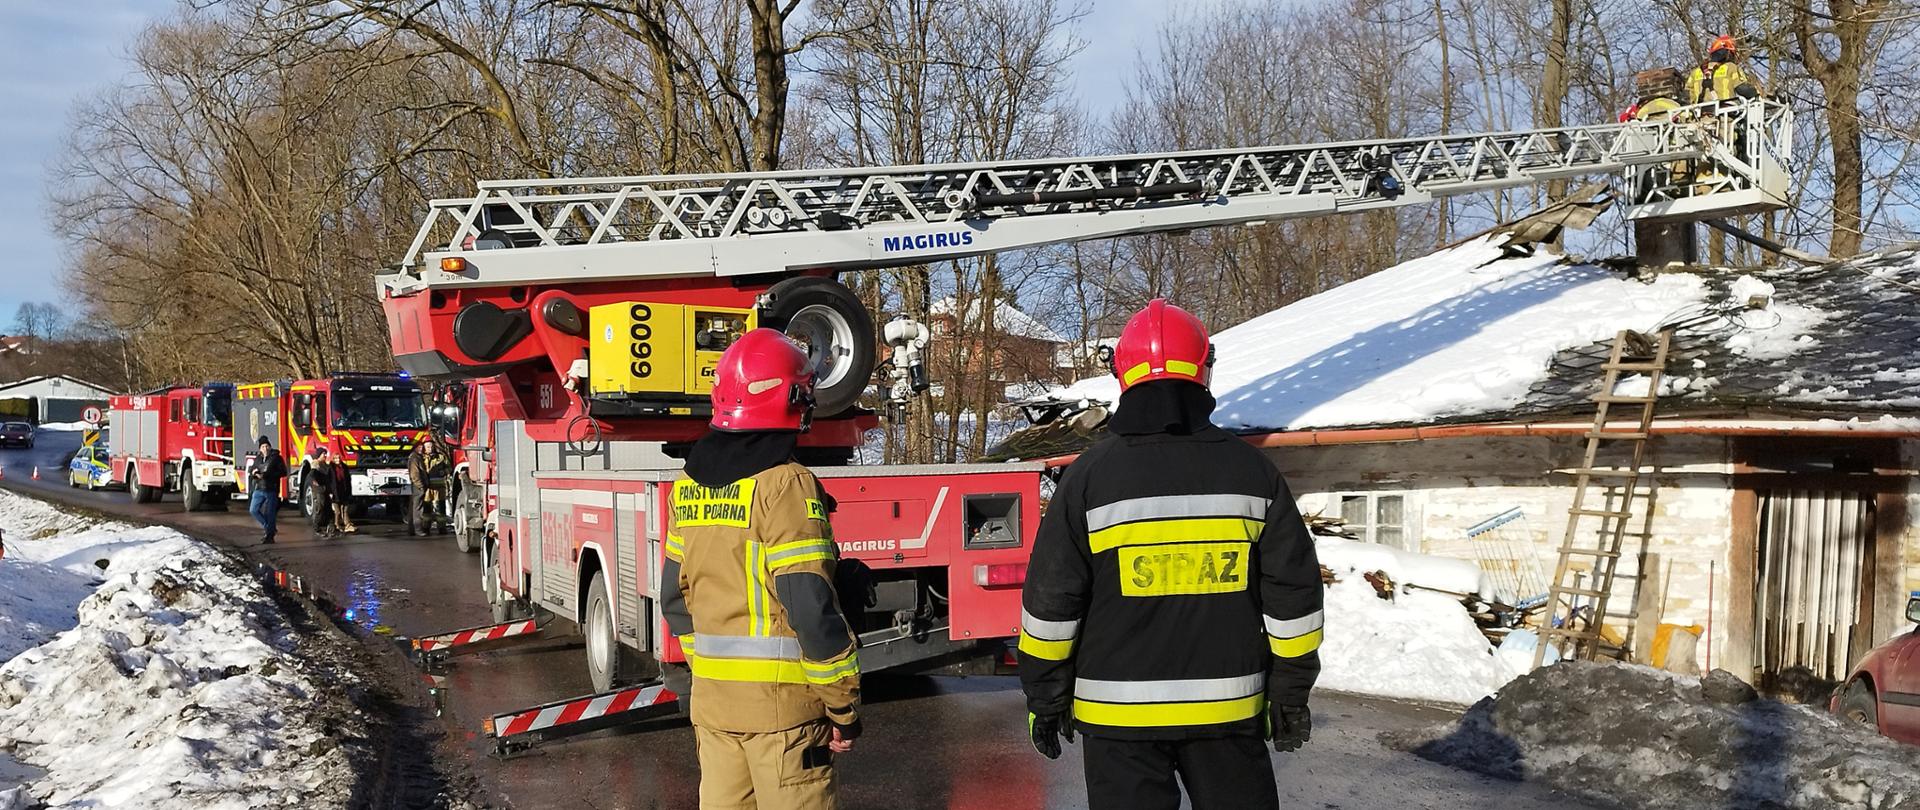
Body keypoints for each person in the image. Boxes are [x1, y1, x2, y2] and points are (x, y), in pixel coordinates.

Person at [1018, 299, 1325, 810]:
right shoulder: (1252, 473)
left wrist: (1046, 698)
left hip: (1117, 719)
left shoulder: (1089, 478)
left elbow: (1052, 604)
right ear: (1203, 369)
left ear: (1122, 374)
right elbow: (1293, 599)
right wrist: (1289, 693)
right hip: (1227, 714)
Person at [658, 328, 861, 810]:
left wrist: (711, 677)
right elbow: (809, 608)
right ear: (791, 400)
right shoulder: (785, 484)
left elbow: (673, 598)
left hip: (714, 710)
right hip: (784, 718)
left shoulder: (688, 486)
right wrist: (843, 706)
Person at [1686, 34, 1758, 105]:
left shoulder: (1695, 72)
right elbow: (1743, 89)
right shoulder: (1731, 67)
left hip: (1700, 112)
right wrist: (1756, 94)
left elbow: (1686, 96)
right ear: (1728, 53)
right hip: (1725, 110)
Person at [407, 436, 451, 536]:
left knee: (441, 509)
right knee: (426, 509)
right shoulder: (421, 458)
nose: (430, 449)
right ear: (424, 447)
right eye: (427, 447)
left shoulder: (441, 457)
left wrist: (443, 472)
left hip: (439, 488)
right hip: (427, 488)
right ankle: (426, 528)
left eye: (431, 446)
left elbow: (449, 468)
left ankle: (442, 528)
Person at [248, 436, 288, 545]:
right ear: (260, 449)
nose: (265, 448)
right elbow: (252, 469)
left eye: (267, 446)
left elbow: (283, 472)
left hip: (271, 489)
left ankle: (270, 536)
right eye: (263, 447)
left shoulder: (276, 458)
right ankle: (269, 527)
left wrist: (268, 475)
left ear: (270, 447)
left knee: (270, 513)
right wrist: (254, 473)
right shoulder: (258, 458)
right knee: (253, 510)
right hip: (259, 488)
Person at [307, 448, 338, 537]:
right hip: (319, 491)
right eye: (323, 454)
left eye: (325, 453)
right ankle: (317, 528)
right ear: (319, 455)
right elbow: (311, 476)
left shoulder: (325, 465)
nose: (325, 455)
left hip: (326, 490)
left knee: (329, 510)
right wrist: (315, 482)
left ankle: (331, 529)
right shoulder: (316, 465)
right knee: (320, 509)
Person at [327, 453, 358, 535]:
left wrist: (349, 491)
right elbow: (328, 481)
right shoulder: (330, 468)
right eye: (335, 458)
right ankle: (336, 525)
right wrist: (330, 492)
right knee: (337, 511)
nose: (337, 460)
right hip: (335, 492)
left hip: (343, 491)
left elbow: (348, 480)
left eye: (338, 458)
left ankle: (347, 525)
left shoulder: (344, 467)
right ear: (333, 459)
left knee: (345, 509)